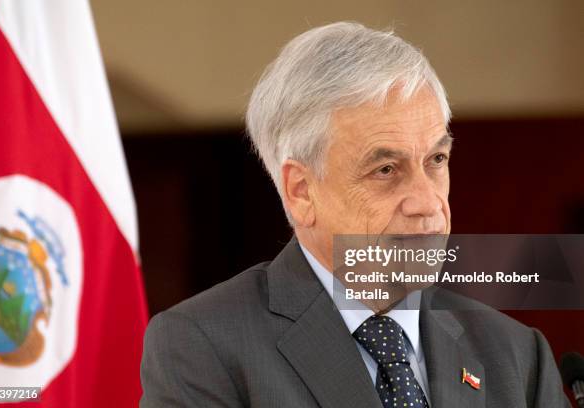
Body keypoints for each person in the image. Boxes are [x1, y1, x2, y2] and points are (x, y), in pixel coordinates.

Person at [140, 22, 570, 407]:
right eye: (385, 169)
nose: (427, 203)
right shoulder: (204, 345)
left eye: (437, 160)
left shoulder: (515, 353)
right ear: (301, 190)